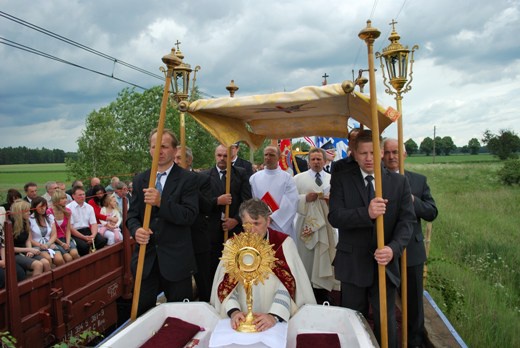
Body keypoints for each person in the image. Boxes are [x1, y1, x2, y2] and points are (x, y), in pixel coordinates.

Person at [328, 130, 416, 348]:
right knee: (352, 320)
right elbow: (335, 216)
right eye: (363, 153)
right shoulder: (342, 179)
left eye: (373, 152)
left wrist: (393, 249)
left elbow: (407, 223)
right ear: (354, 154)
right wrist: (365, 213)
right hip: (352, 263)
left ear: (381, 153)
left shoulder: (398, 183)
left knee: (385, 323)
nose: (368, 158)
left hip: (383, 264)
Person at [210, 198, 316, 331]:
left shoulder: (283, 244)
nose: (252, 230)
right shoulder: (233, 245)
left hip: (277, 322)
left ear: (268, 221)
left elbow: (289, 285)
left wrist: (274, 315)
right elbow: (226, 287)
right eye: (247, 224)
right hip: (240, 321)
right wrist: (234, 312)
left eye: (256, 223)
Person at [126, 128, 199, 317]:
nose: (158, 151)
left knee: (180, 317)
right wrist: (136, 230)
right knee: (142, 314)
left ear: (175, 150)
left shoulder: (188, 179)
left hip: (176, 262)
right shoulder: (141, 179)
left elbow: (189, 215)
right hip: (146, 259)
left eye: (164, 146)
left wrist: (161, 202)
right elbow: (132, 216)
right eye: (154, 146)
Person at [382, 138, 438, 348]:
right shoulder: (377, 179)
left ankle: (414, 342)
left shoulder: (418, 181)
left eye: (396, 152)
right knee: (384, 301)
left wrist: (413, 201)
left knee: (414, 303)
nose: (391, 157)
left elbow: (432, 212)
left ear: (404, 154)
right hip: (385, 249)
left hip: (412, 252)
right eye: (387, 152)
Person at [293, 147, 339, 303]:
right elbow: (291, 201)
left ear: (325, 161)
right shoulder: (298, 179)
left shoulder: (332, 178)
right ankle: (306, 292)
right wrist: (305, 198)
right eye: (313, 159)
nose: (316, 162)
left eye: (319, 159)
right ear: (308, 162)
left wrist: (330, 200)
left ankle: (323, 292)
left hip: (326, 224)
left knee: (325, 257)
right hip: (306, 226)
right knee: (307, 259)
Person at [202, 144, 252, 279]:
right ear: (215, 156)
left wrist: (236, 220)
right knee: (214, 268)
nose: (222, 158)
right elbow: (201, 203)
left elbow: (247, 201)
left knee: (235, 266)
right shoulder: (204, 176)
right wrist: (217, 201)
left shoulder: (240, 174)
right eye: (219, 155)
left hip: (234, 230)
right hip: (212, 231)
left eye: (225, 156)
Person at [174, 146, 213, 301]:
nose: (176, 162)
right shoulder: (169, 182)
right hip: (177, 241)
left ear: (189, 160)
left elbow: (208, 207)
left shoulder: (202, 179)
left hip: (197, 238)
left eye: (179, 158)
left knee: (203, 282)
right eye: (175, 158)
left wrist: (189, 186)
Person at [249, 145, 298, 240]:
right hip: (260, 224)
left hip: (281, 225)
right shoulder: (254, 178)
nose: (268, 158)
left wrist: (272, 218)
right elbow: (252, 200)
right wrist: (260, 218)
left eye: (271, 155)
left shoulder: (287, 178)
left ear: (279, 157)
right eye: (266, 155)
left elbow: (291, 202)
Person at [10, 199, 51, 275]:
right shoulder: (11, 225)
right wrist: (29, 249)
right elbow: (9, 248)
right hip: (14, 254)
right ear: (19, 212)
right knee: (38, 265)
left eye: (29, 210)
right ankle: (34, 286)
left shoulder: (26, 222)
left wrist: (30, 250)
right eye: (27, 211)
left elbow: (28, 240)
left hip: (25, 250)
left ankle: (46, 285)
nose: (29, 213)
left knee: (46, 263)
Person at [67, 186, 107, 256]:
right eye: (80, 195)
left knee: (102, 240)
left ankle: (95, 257)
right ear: (73, 196)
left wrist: (93, 236)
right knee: (83, 246)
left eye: (83, 194)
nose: (82, 196)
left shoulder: (89, 207)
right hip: (76, 233)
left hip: (88, 230)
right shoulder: (68, 208)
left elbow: (94, 223)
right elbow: (70, 228)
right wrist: (84, 238)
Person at [29, 196, 65, 267]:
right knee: (47, 259)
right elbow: (30, 239)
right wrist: (40, 245)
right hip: (37, 245)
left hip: (49, 244)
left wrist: (48, 244)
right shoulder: (30, 219)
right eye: (40, 207)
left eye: (45, 206)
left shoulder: (49, 217)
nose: (43, 208)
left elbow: (54, 235)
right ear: (34, 207)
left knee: (59, 260)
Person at [47, 189, 80, 262]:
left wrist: (67, 243)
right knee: (68, 258)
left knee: (74, 254)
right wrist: (62, 244)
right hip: (56, 240)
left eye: (65, 198)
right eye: (62, 198)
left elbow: (68, 229)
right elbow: (51, 233)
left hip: (65, 237)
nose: (65, 200)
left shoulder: (67, 211)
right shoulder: (49, 212)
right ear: (56, 200)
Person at [0, 206, 27, 288]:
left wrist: (4, 260)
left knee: (19, 272)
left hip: (1, 258)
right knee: (2, 277)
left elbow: (2, 245)